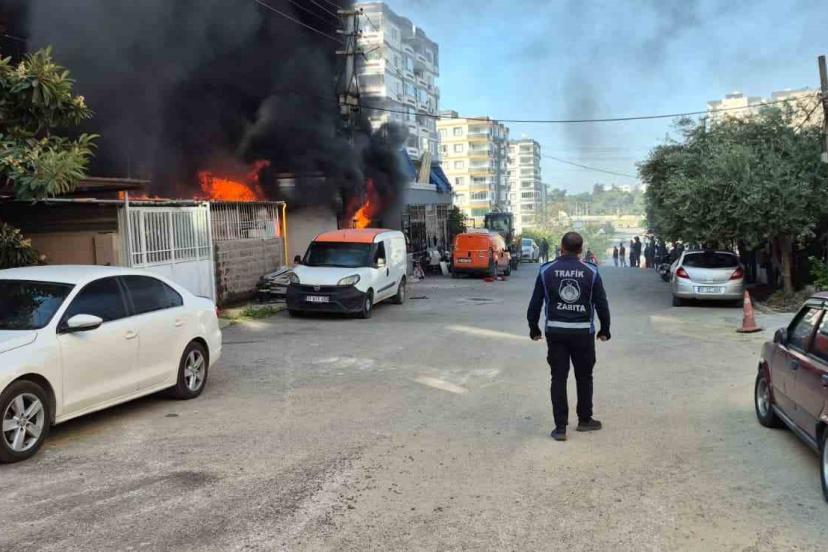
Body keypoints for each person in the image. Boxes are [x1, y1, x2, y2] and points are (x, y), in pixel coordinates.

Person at [526, 231, 611, 442]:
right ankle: (584, 419)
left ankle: (560, 428)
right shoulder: (591, 271)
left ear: (561, 248)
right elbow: (601, 303)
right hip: (583, 333)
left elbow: (535, 303)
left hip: (556, 332)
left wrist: (533, 328)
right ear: (580, 250)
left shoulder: (546, 270)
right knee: (584, 377)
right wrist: (605, 329)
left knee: (558, 377)